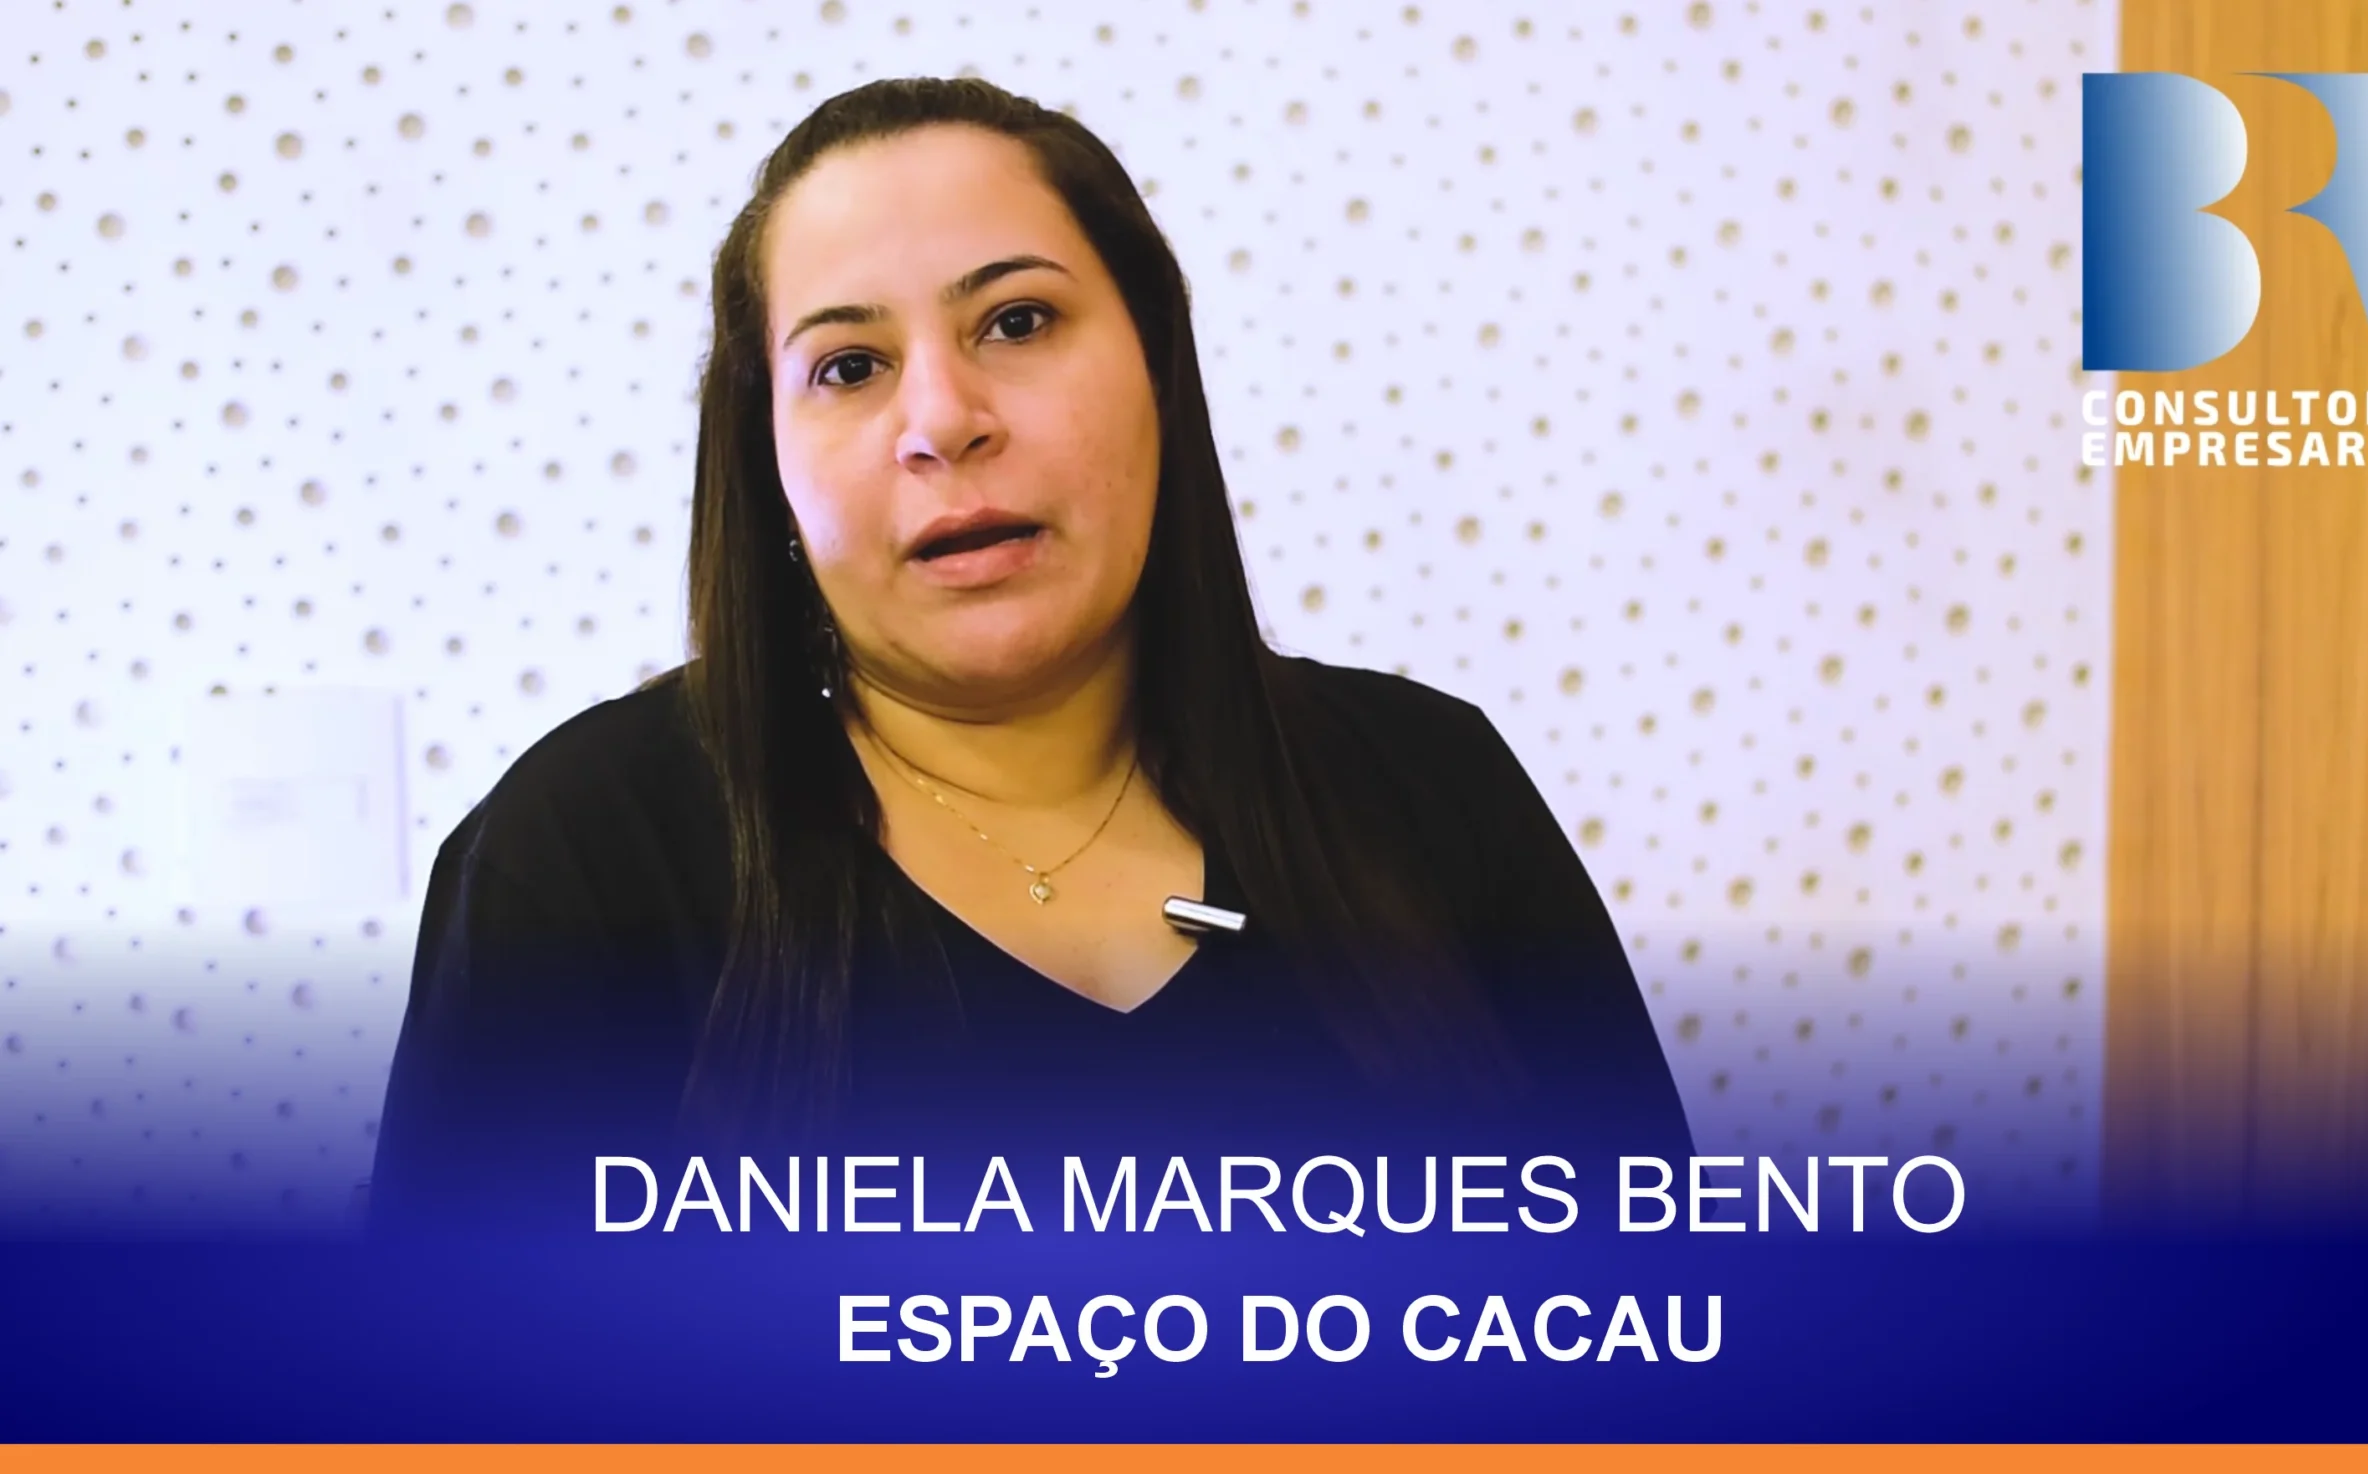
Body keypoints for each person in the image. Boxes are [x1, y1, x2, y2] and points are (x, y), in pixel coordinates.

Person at [367, 77, 1689, 1234]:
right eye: (849, 365)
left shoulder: (1430, 787)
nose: (942, 420)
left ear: (1158, 368)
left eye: (1016, 323)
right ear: (766, 461)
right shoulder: (582, 857)